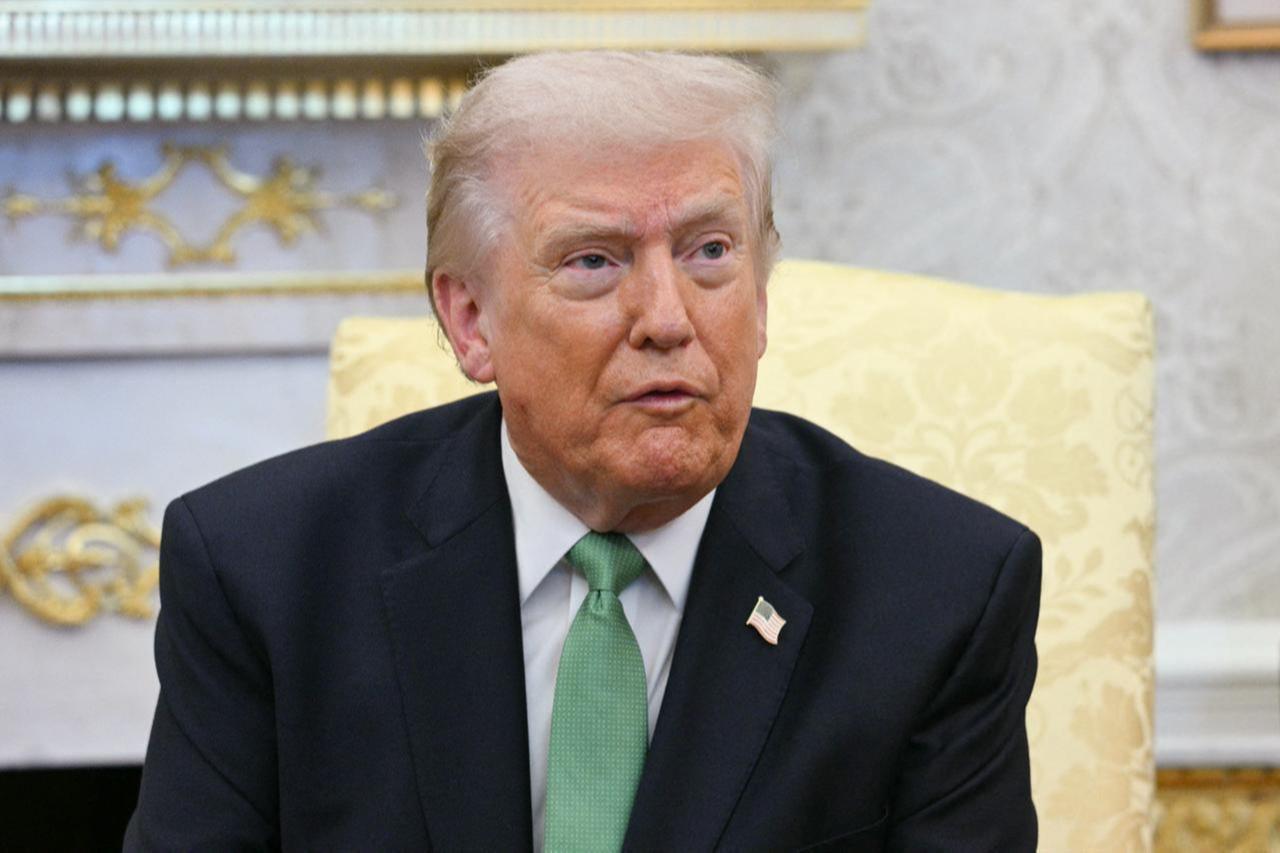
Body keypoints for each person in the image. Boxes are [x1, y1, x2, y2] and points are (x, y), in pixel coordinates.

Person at [125, 51, 1041, 851]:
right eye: (594, 261)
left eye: (711, 251)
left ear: (761, 297)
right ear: (469, 319)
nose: (668, 318)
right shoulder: (262, 573)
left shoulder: (940, 593)